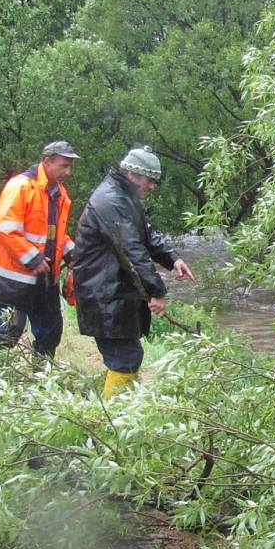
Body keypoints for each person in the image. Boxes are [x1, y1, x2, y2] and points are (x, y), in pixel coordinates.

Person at [72, 145, 195, 398]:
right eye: (150, 180)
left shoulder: (123, 197)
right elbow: (131, 250)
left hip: (112, 292)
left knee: (127, 356)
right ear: (132, 175)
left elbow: (145, 233)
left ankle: (120, 410)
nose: (152, 186)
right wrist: (157, 291)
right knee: (125, 358)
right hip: (103, 295)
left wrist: (173, 258)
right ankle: (112, 422)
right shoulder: (111, 200)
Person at [0, 140, 80, 357]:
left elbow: (56, 234)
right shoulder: (21, 186)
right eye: (64, 165)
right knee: (10, 331)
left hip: (44, 279)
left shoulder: (60, 194)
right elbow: (6, 229)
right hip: (13, 281)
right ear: (47, 161)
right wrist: (33, 257)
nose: (68, 172)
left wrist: (72, 253)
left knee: (51, 333)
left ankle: (40, 381)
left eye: (70, 166)